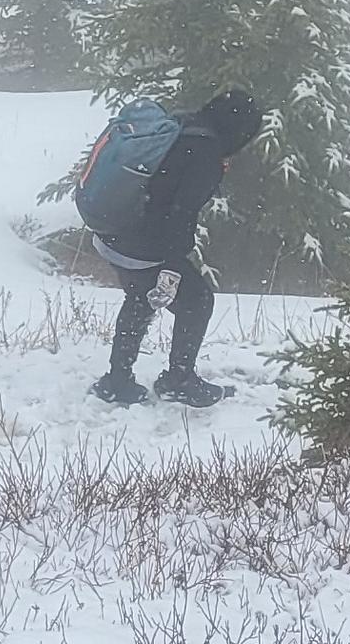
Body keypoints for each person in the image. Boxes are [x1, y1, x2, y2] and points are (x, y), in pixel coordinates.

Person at [89, 86, 265, 407]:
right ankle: (179, 380)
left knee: (140, 296)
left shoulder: (182, 125)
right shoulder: (205, 153)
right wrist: (171, 266)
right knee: (197, 301)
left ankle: (117, 381)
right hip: (139, 241)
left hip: (113, 229)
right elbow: (182, 212)